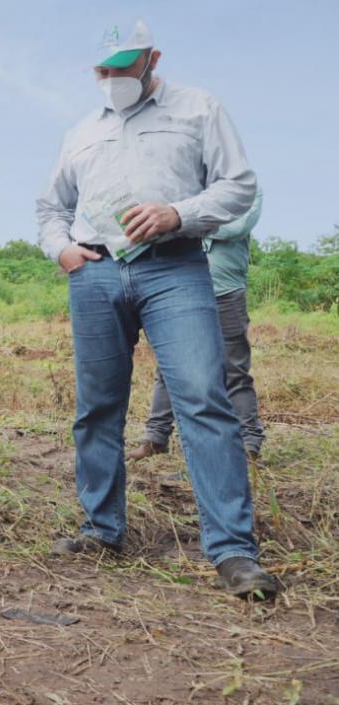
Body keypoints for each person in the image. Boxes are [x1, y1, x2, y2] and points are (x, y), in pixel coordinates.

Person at [35, 20, 277, 598]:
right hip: (94, 273)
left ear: (151, 59)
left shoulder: (198, 109)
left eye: (124, 65)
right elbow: (50, 206)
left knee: (203, 400)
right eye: (104, 69)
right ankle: (101, 528)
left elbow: (239, 186)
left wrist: (177, 213)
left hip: (175, 268)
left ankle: (232, 550)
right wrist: (62, 250)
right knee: (97, 406)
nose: (113, 78)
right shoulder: (80, 132)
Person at [129, 187, 265, 462]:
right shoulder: (186, 186)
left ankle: (248, 441)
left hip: (224, 290)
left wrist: (182, 222)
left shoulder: (245, 191)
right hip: (181, 289)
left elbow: (235, 227)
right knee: (168, 368)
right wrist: (186, 220)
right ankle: (156, 438)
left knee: (234, 367)